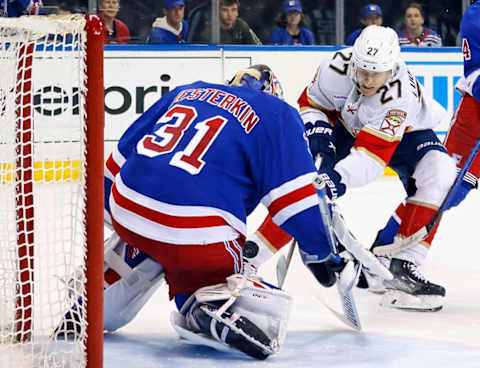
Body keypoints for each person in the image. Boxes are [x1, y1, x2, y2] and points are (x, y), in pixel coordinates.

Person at [64, 64, 384, 360]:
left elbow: (115, 164)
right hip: (196, 234)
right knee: (265, 313)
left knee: (155, 234)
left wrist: (119, 221)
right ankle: (209, 301)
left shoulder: (186, 91)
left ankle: (103, 284)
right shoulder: (278, 114)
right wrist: (322, 255)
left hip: (128, 205)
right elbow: (296, 205)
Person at [246, 25, 457, 312]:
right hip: (346, 123)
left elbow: (370, 159)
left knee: (440, 170)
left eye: (375, 73)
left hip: (408, 133)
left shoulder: (398, 97)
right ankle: (249, 259)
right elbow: (310, 103)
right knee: (305, 190)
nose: (367, 80)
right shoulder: (336, 65)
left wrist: (337, 180)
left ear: (392, 68)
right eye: (362, 71)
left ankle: (402, 265)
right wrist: (317, 126)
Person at [191, 0, 261, 45]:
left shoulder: (242, 25)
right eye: (225, 10)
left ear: (237, 12)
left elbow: (258, 48)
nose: (230, 15)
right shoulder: (210, 32)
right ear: (217, 12)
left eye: (233, 10)